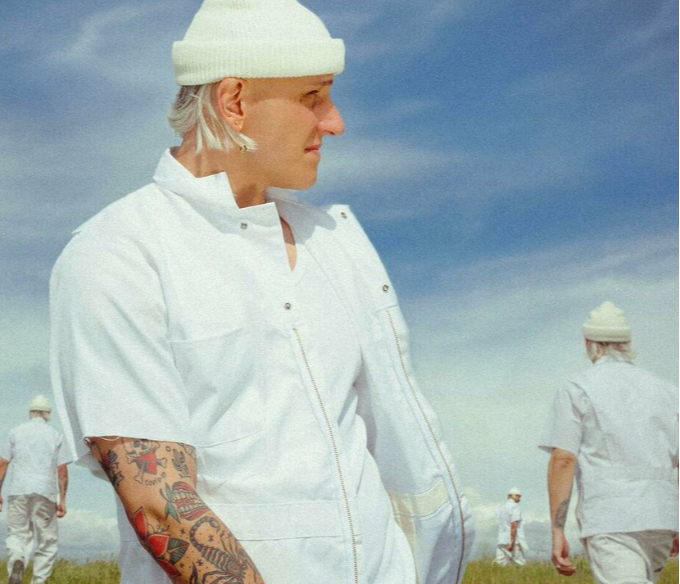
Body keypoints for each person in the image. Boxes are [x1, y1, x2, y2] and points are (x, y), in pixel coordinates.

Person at [49, 1, 473, 582]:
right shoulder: (120, 252)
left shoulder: (336, 242)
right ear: (235, 101)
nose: (334, 122)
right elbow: (159, 503)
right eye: (312, 97)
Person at [541, 301, 680, 582]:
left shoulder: (577, 388)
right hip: (661, 516)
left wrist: (557, 531)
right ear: (627, 343)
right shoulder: (668, 391)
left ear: (588, 342)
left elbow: (563, 459)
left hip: (611, 517)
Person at [0, 395, 71, 584]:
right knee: (47, 540)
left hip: (18, 490)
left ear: (30, 412)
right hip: (45, 491)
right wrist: (62, 499)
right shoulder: (55, 435)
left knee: (17, 533)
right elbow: (62, 469)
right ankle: (39, 580)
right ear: (48, 413)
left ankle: (17, 559)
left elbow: (3, 462)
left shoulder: (15, 432)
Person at [494, 487, 527, 566]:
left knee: (501, 563)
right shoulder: (515, 507)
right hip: (514, 540)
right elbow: (513, 524)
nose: (519, 499)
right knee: (520, 562)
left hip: (501, 539)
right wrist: (512, 542)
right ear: (512, 496)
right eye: (518, 496)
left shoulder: (501, 508)